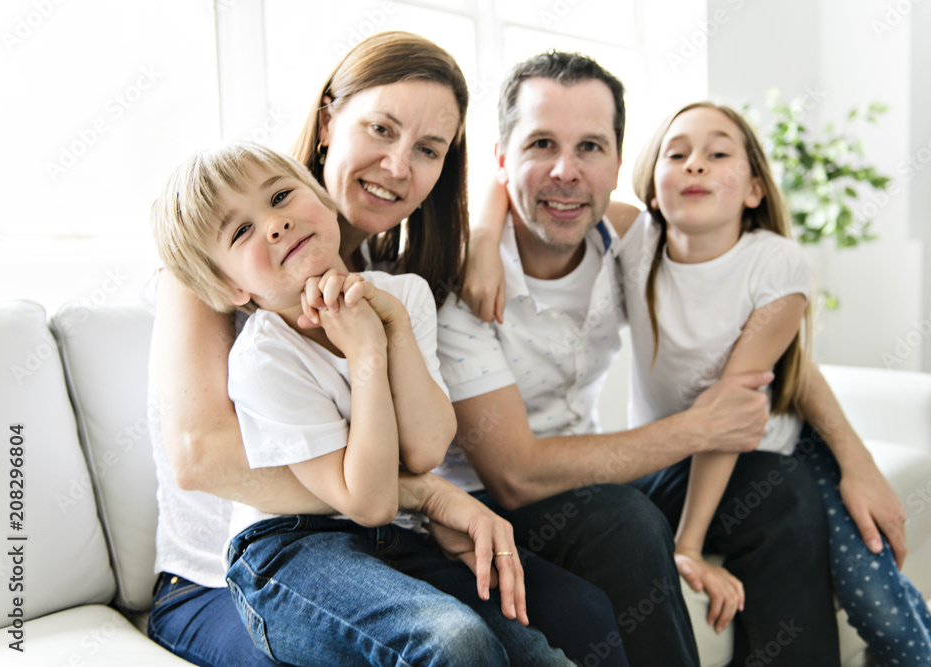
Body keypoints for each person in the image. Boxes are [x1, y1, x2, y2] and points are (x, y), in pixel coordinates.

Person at [147, 32, 624, 667]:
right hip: (221, 576)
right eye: (380, 129)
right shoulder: (219, 249)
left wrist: (483, 232)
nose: (399, 167)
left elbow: (420, 438)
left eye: (428, 150)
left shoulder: (388, 275)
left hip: (376, 539)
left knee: (579, 613)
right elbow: (198, 458)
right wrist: (426, 495)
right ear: (327, 123)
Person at [438, 50, 847, 665]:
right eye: (541, 143)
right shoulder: (458, 282)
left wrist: (856, 460)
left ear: (618, 163)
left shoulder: (630, 242)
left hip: (591, 474)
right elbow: (514, 476)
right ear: (502, 159)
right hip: (492, 510)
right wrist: (480, 235)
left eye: (591, 148)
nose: (566, 172)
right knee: (623, 519)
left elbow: (760, 336)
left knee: (779, 486)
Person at [623, 100, 931, 667]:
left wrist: (689, 542)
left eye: (717, 153)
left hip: (777, 446)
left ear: (755, 190)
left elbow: (728, 415)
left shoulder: (777, 263)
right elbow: (520, 183)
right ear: (653, 188)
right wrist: (486, 236)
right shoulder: (635, 242)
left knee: (878, 598)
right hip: (689, 456)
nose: (694, 165)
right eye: (677, 153)